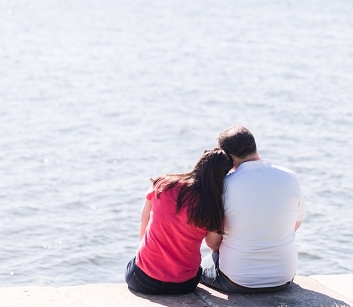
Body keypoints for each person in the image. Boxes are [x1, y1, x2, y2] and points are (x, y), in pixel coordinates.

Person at [201, 125, 307, 293]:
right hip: (284, 277)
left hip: (237, 280)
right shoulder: (289, 177)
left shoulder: (224, 185)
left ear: (229, 158)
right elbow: (296, 224)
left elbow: (212, 242)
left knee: (197, 267)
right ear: (254, 147)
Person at [125, 148, 233, 295]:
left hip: (143, 280)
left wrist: (148, 255)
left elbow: (144, 219)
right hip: (184, 285)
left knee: (134, 262)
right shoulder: (214, 208)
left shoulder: (164, 184)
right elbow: (212, 244)